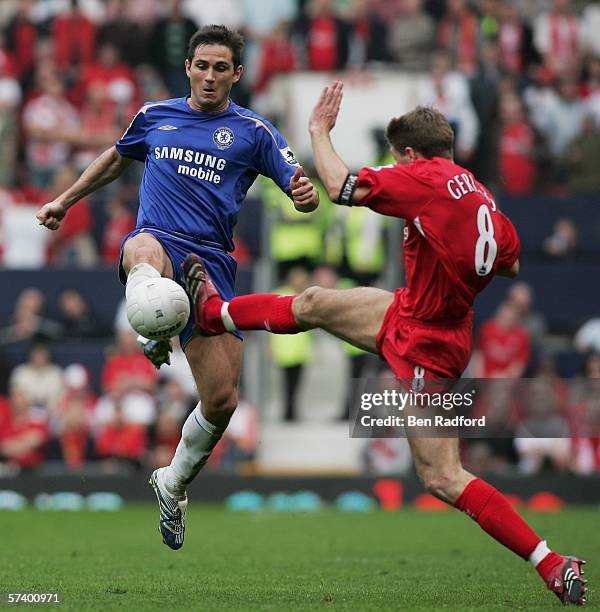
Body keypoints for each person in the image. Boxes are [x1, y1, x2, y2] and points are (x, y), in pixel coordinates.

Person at [181, 82, 587, 605]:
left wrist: (318, 132)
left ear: (413, 156)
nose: (397, 166)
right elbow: (509, 261)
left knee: (442, 476)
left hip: (430, 346)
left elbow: (338, 185)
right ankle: (214, 312)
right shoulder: (479, 192)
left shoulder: (425, 179)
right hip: (413, 310)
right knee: (315, 302)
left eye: (398, 159)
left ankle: (551, 562)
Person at [35, 25, 319, 549]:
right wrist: (66, 200)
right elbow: (117, 157)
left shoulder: (254, 131)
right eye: (202, 66)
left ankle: (171, 483)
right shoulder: (153, 116)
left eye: (221, 68)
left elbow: (301, 189)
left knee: (222, 401)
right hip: (157, 241)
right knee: (142, 249)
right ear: (187, 66)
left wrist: (304, 196)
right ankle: (156, 323)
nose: (210, 76)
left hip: (210, 265)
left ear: (236, 73)